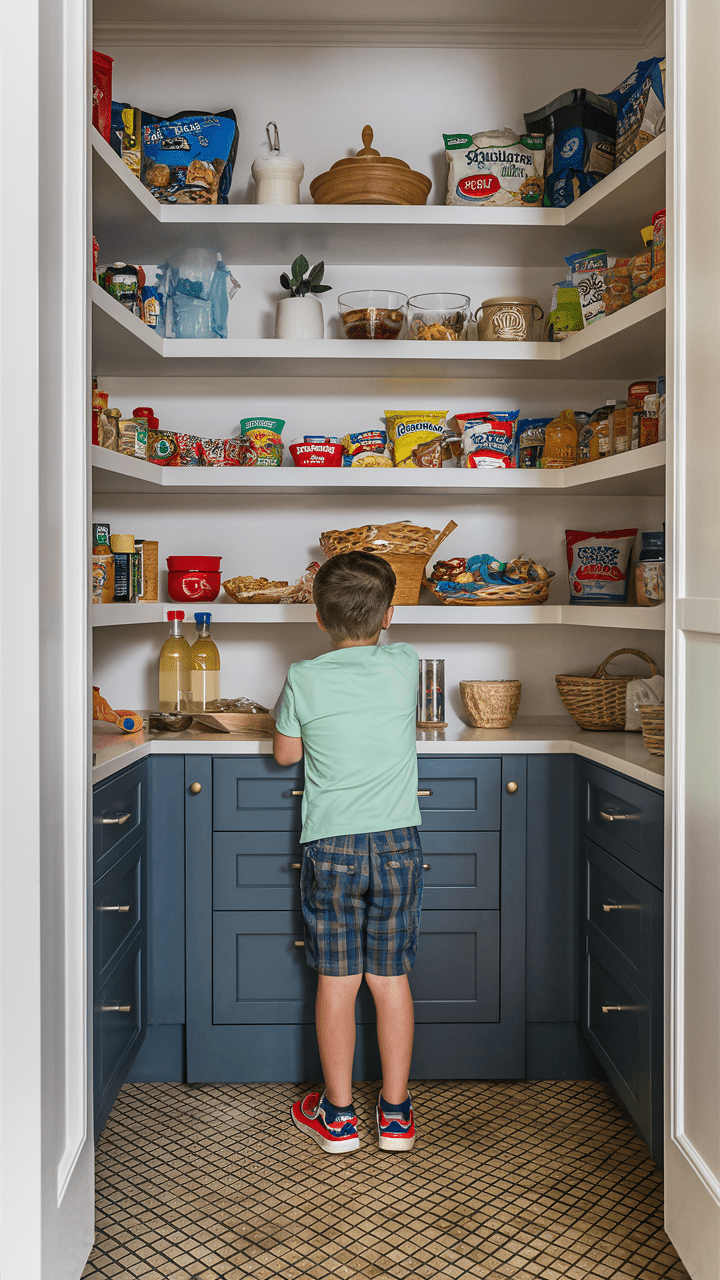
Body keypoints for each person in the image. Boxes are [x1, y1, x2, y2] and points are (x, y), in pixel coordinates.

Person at [273, 550, 422, 1155]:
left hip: (330, 845)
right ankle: (395, 1116)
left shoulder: (303, 677)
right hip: (396, 844)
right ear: (389, 616)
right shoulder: (405, 663)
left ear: (317, 617)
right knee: (390, 979)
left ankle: (337, 1118)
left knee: (337, 981)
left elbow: (285, 755)